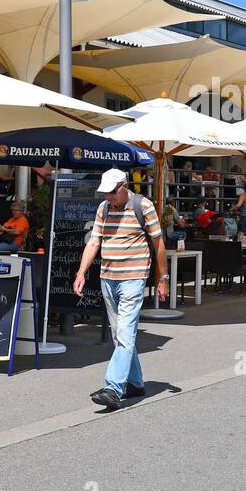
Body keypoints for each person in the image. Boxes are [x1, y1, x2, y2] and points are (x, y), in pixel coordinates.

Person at [74, 169, 168, 411]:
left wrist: (163, 278)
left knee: (125, 334)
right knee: (120, 335)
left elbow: (158, 243)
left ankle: (113, 388)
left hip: (134, 278)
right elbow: (94, 241)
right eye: (105, 192)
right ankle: (135, 382)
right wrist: (81, 272)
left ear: (125, 186)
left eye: (112, 192)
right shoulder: (104, 208)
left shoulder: (143, 206)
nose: (109, 196)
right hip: (108, 277)